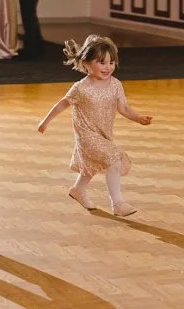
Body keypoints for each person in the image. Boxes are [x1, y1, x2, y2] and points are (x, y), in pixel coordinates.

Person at [37, 35, 152, 217]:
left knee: (91, 166)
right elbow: (62, 104)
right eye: (102, 62)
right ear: (86, 63)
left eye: (111, 62)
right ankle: (118, 203)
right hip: (86, 135)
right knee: (114, 160)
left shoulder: (116, 85)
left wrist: (138, 118)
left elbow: (123, 107)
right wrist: (45, 122)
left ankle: (77, 189)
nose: (108, 67)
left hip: (103, 133)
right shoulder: (80, 88)